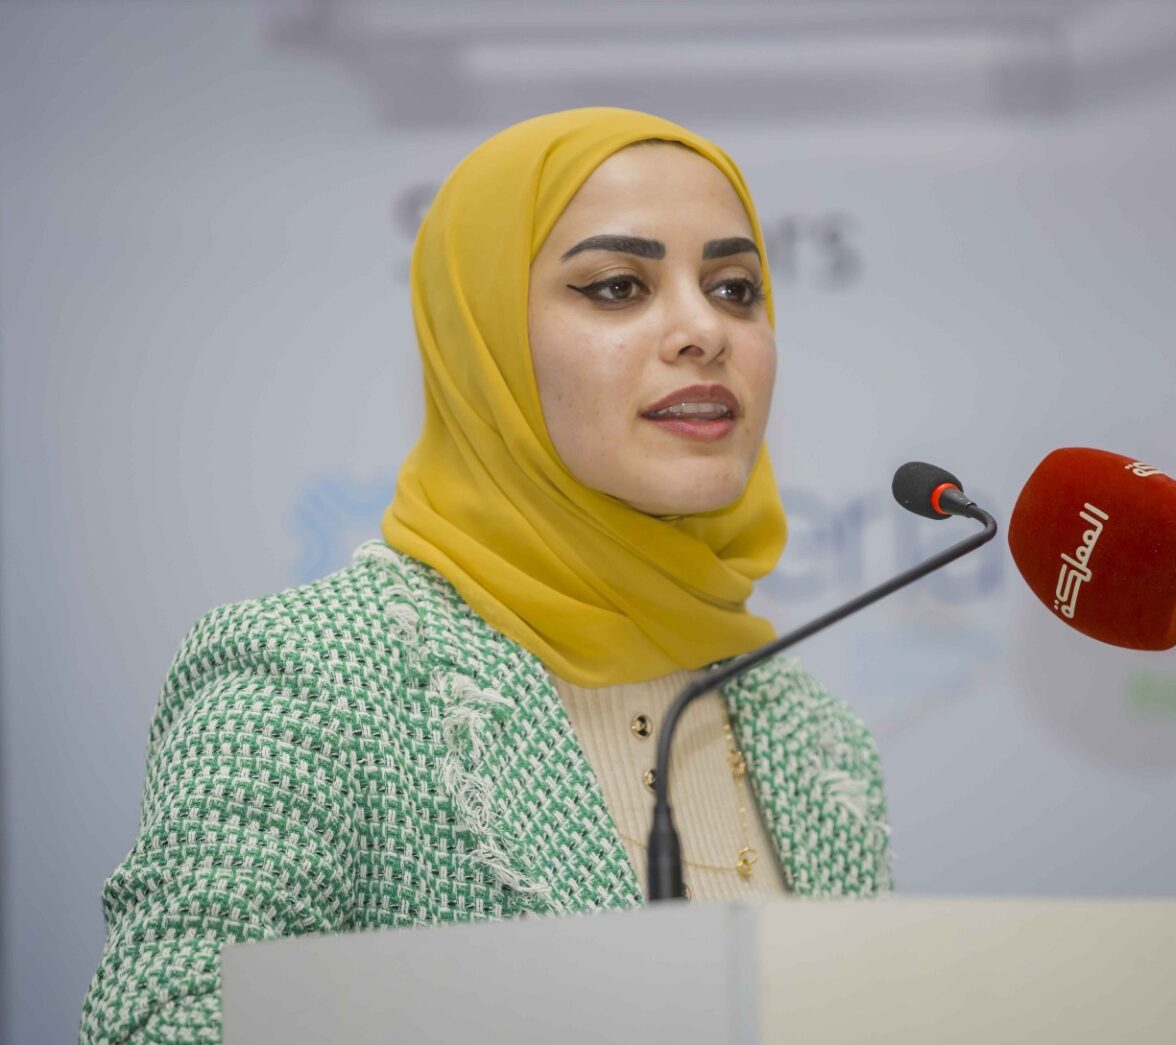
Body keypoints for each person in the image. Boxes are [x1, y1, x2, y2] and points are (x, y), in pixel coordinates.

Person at [79, 107, 892, 1043]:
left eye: (736, 288)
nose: (704, 330)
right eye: (619, 286)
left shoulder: (816, 737)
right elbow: (161, 1024)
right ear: (485, 340)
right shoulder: (307, 675)